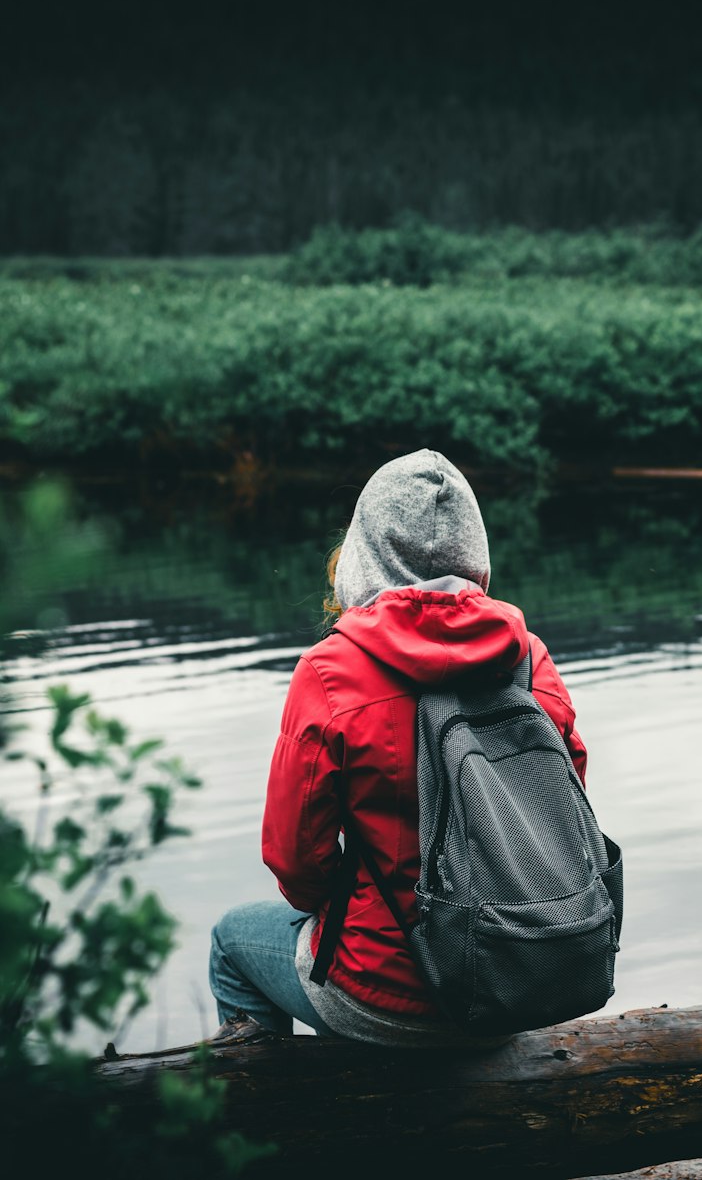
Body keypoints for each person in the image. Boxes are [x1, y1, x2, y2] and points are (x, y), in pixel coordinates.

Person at [208, 448, 588, 1046]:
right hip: (515, 980)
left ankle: (274, 1126)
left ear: (364, 553)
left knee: (232, 940)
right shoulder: (529, 657)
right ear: (475, 552)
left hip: (384, 994)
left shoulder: (331, 672)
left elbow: (294, 858)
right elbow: (565, 817)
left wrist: (354, 913)